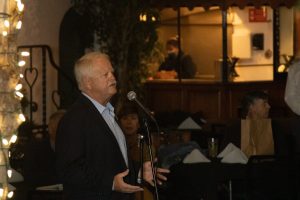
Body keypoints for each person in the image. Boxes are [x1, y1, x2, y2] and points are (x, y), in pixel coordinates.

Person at [55, 52, 169, 200]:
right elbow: (69, 170)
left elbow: (113, 160)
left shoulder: (108, 112)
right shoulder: (75, 119)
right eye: (105, 74)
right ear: (88, 82)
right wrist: (110, 183)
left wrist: (138, 171)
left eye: (112, 72)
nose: (113, 78)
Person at [221, 91, 290, 157]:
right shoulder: (234, 129)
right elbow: (225, 156)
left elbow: (284, 156)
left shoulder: (275, 127)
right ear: (251, 107)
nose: (269, 106)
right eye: (264, 103)